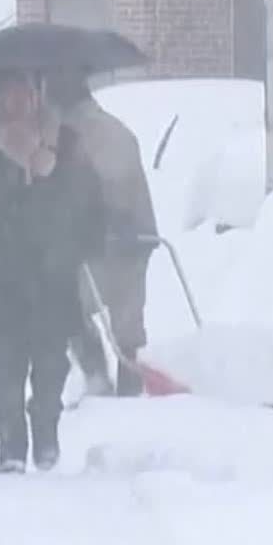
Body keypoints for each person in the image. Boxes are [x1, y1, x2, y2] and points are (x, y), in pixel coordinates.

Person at [0, 70, 107, 473]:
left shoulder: (66, 146)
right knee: (7, 366)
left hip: (53, 276)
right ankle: (12, 442)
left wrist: (87, 244)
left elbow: (90, 203)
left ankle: (45, 424)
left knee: (51, 365)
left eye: (24, 93)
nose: (16, 101)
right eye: (7, 94)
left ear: (37, 96)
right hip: (0, 279)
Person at [46, 69, 158, 397]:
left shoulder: (76, 136)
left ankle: (98, 377)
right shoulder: (117, 130)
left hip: (104, 242)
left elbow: (88, 192)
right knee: (128, 321)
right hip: (138, 236)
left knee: (68, 307)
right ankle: (130, 386)